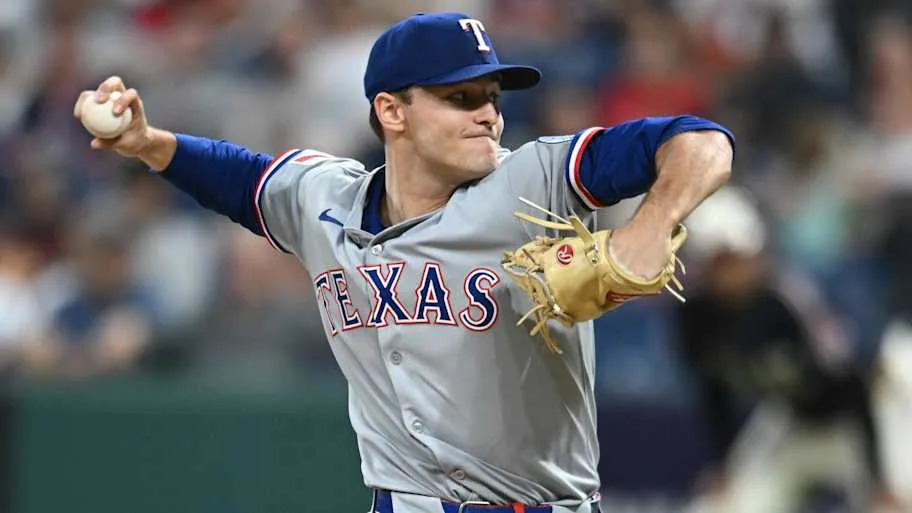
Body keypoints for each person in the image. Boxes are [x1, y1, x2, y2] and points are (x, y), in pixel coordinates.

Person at [73, 12, 733, 513]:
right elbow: (239, 179)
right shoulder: (321, 197)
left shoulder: (536, 182)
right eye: (460, 98)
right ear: (391, 111)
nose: (489, 117)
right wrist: (146, 142)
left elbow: (699, 141)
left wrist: (652, 224)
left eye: (492, 97)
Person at [678, 187, 903, 513]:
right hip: (789, 420)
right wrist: (723, 465)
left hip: (857, 423)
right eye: (720, 261)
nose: (732, 271)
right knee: (718, 507)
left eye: (737, 257)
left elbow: (854, 384)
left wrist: (881, 480)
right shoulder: (696, 315)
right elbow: (713, 391)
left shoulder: (785, 301)